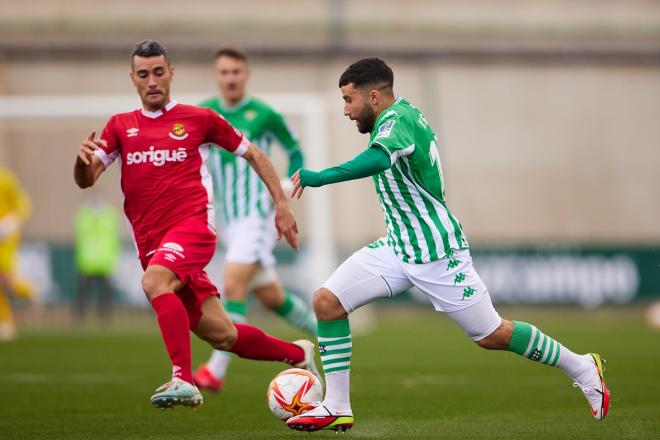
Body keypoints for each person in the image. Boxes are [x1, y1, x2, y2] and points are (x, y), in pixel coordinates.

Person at [286, 58, 610, 432]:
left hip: (436, 252)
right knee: (327, 302)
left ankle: (583, 366)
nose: (345, 110)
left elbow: (377, 159)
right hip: (398, 246)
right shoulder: (402, 114)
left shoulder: (396, 122)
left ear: (373, 96)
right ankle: (336, 405)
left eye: (349, 100)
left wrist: (320, 177)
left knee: (491, 335)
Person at [73, 40, 318, 410]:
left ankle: (182, 379)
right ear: (133, 79)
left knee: (154, 282)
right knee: (223, 335)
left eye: (158, 72)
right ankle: (297, 354)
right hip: (152, 244)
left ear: (171, 73)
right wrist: (81, 161)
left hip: (193, 229)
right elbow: (86, 178)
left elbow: (255, 153)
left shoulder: (198, 118)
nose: (152, 80)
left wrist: (281, 205)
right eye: (144, 74)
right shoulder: (120, 126)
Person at [193, 48, 316, 393]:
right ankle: (328, 336)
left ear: (246, 75)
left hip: (257, 215)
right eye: (224, 72)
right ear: (216, 76)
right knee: (271, 297)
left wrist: (287, 189)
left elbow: (294, 148)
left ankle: (215, 371)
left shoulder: (264, 114)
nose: (230, 78)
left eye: (236, 71)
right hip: (228, 220)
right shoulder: (206, 113)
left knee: (232, 285)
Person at [0, 166, 36, 341]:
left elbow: (23, 204)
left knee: (6, 281)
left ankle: (30, 292)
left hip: (5, 239)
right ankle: (5, 323)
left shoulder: (5, 179)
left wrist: (11, 222)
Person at [73, 196, 121, 322]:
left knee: (104, 294)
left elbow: (113, 239)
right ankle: (80, 316)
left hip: (103, 262)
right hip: (87, 261)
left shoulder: (107, 215)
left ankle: (104, 317)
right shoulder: (85, 215)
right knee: (83, 293)